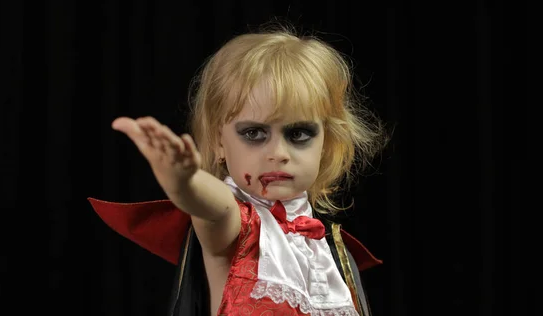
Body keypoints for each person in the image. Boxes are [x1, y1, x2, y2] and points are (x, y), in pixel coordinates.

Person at [88, 24, 388, 316]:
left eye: (298, 134)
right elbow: (212, 207)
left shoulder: (329, 249)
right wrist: (185, 181)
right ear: (220, 141)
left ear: (327, 142)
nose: (278, 154)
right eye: (254, 134)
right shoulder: (236, 227)